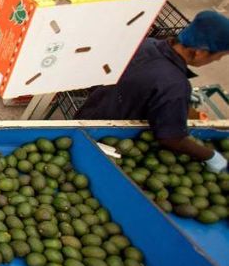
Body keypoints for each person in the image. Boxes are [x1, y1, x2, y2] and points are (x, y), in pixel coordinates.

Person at [77, 10, 229, 172]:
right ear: (200, 52)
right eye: (219, 56)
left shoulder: (147, 44)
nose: (218, 60)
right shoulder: (175, 85)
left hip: (88, 114)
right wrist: (210, 156)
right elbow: (171, 138)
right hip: (108, 138)